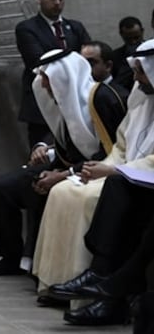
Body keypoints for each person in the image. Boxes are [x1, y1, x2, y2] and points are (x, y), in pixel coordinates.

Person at [0, 48, 125, 276]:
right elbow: (66, 143)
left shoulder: (101, 100)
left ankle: (47, 269)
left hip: (94, 172)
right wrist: (50, 167)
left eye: (47, 78)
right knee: (3, 187)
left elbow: (110, 153)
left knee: (49, 190)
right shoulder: (64, 101)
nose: (44, 85)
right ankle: (12, 257)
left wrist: (62, 174)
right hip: (66, 167)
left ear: (64, 77)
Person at [31, 40, 154, 305]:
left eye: (141, 71)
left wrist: (111, 170)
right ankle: (56, 285)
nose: (136, 78)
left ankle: (93, 284)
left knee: (88, 197)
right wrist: (103, 168)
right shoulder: (141, 103)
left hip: (136, 179)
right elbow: (121, 145)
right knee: (64, 191)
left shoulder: (103, 98)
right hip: (122, 171)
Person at [15, 0, 92, 149]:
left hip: (76, 103)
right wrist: (73, 61)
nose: (57, 2)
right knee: (41, 158)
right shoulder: (27, 28)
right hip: (43, 103)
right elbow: (38, 62)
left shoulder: (75, 27)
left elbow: (87, 61)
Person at [111, 16, 144, 91]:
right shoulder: (115, 56)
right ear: (121, 34)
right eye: (128, 39)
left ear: (142, 31)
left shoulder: (151, 51)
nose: (133, 42)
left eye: (136, 37)